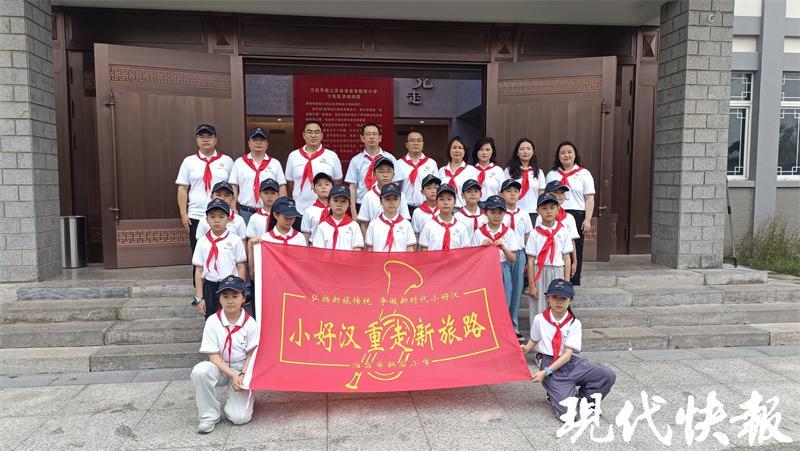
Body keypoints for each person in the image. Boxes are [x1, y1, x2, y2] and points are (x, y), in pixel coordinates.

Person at [521, 279, 616, 420]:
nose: (559, 302)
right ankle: (554, 395)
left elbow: (567, 356)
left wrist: (545, 373)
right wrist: (526, 348)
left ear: (570, 301)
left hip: (569, 363)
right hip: (550, 364)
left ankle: (585, 401)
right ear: (548, 298)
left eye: (563, 298)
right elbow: (534, 339)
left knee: (606, 375)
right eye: (554, 297)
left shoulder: (574, 323)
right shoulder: (539, 319)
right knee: (571, 417)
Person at [191, 275, 259, 433]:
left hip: (241, 369)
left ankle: (244, 398)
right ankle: (209, 416)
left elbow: (251, 355)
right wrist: (231, 375)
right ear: (219, 299)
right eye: (225, 296)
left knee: (240, 418)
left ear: (243, 298)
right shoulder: (212, 321)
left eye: (235, 296)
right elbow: (213, 356)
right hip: (219, 367)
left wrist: (241, 374)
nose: (230, 301)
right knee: (200, 371)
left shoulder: (250, 323)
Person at [176, 124, 234, 255]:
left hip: (222, 215)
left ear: (216, 140)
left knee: (224, 253)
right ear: (197, 140)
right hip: (196, 214)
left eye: (209, 136)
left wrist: (233, 209)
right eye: (201, 137)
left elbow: (233, 188)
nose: (205, 139)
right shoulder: (188, 161)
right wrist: (183, 214)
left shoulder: (227, 161)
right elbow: (182, 189)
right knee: (198, 253)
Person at [545, 141, 595, 286]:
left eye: (569, 152)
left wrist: (587, 219)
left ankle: (572, 281)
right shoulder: (552, 174)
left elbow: (589, 198)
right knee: (555, 245)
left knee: (575, 247)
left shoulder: (584, 174)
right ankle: (554, 278)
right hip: (554, 213)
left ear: (575, 155)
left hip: (577, 215)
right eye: (562, 152)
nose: (566, 155)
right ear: (558, 156)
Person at [192, 199, 247, 318]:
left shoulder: (236, 240)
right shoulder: (202, 242)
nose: (217, 220)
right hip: (209, 286)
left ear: (228, 219)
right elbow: (199, 270)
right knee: (211, 318)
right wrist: (199, 297)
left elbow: (241, 266)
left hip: (230, 286)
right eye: (212, 217)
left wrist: (241, 291)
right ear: (207, 220)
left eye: (221, 217)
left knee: (231, 318)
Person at [472, 195, 520, 331]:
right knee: (485, 302)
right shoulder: (479, 233)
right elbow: (473, 259)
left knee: (504, 301)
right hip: (485, 270)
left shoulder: (509, 233)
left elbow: (513, 259)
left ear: (505, 214)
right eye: (492, 212)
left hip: (503, 268)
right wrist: (481, 248)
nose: (496, 216)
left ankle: (502, 331)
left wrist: (504, 248)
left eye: (500, 212)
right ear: (486, 212)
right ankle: (486, 331)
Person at [526, 193, 573, 316]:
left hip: (557, 271)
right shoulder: (534, 234)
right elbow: (531, 260)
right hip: (539, 272)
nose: (548, 211)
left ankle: (556, 327)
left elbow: (566, 258)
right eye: (544, 208)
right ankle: (538, 327)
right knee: (539, 304)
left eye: (552, 207)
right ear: (538, 211)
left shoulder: (563, 232)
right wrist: (532, 285)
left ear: (558, 209)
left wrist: (567, 282)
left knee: (557, 303)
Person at [228, 127, 286, 224]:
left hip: (269, 211)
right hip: (246, 212)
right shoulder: (239, 162)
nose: (258, 143)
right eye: (255, 140)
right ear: (249, 143)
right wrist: (233, 208)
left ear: (267, 144)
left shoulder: (275, 163)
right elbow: (234, 187)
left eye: (262, 140)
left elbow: (282, 188)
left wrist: (280, 209)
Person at [284, 120, 343, 215]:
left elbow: (337, 182)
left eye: (317, 132)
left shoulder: (331, 156)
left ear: (322, 135)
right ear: (304, 135)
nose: (313, 135)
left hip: (325, 209)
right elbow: (290, 183)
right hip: (299, 208)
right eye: (309, 132)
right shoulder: (293, 156)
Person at [500, 178, 533, 340]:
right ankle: (501, 325)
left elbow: (527, 237)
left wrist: (527, 258)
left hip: (518, 254)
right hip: (501, 256)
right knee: (503, 290)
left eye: (515, 191)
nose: (512, 194)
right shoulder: (498, 213)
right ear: (501, 194)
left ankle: (514, 325)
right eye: (508, 191)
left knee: (516, 290)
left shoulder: (524, 214)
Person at [345, 123, 397, 217]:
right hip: (361, 204)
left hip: (386, 203)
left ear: (380, 138)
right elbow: (352, 187)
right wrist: (353, 212)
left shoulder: (390, 158)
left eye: (374, 134)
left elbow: (396, 183)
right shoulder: (356, 160)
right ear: (362, 138)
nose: (371, 137)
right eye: (368, 134)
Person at [536, 180, 580, 280]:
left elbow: (572, 242)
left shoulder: (569, 218)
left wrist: (575, 262)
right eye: (556, 192)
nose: (559, 195)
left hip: (564, 260)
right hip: (545, 261)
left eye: (562, 193)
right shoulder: (541, 217)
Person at [356, 156, 411, 235]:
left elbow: (405, 221)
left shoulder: (400, 195)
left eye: (389, 171)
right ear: (374, 174)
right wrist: (367, 241)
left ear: (393, 174)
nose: (385, 175)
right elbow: (364, 224)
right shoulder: (368, 196)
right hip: (375, 238)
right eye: (381, 171)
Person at [396, 131, 438, 216]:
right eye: (412, 141)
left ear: (423, 144)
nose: (416, 143)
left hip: (426, 207)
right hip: (404, 207)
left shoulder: (431, 163)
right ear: (407, 145)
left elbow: (436, 187)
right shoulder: (399, 164)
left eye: (419, 141)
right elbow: (396, 186)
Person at [365, 183, 416, 252]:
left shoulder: (406, 224)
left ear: (400, 201)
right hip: (379, 259)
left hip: (400, 259)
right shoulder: (373, 224)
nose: (391, 202)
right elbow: (369, 250)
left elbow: (410, 250)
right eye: (387, 199)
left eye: (395, 199)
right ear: (381, 201)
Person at [311, 185, 364, 251]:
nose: (339, 204)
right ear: (329, 202)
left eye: (343, 201)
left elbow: (357, 250)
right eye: (335, 200)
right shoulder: (322, 226)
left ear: (349, 204)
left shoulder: (354, 226)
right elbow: (318, 251)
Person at [418, 184, 471, 251]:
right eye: (442, 199)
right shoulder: (428, 226)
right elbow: (424, 251)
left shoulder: (461, 227)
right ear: (437, 202)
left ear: (455, 202)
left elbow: (465, 252)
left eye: (449, 199)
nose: (446, 202)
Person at [504, 138, 546, 220]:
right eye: (522, 149)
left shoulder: (539, 172)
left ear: (533, 152)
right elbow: (503, 192)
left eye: (528, 149)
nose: (525, 152)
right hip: (514, 212)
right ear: (517, 152)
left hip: (533, 212)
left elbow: (541, 194)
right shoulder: (509, 171)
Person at [244, 179, 280, 272]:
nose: (269, 196)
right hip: (260, 258)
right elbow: (250, 243)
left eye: (273, 193)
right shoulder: (254, 218)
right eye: (266, 193)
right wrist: (251, 268)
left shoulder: (282, 217)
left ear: (278, 195)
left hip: (279, 258)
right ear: (259, 194)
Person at [437, 136, 478, 209]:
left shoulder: (471, 170)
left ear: (465, 151)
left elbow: (474, 192)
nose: (457, 150)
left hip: (463, 209)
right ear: (449, 151)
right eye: (454, 148)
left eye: (460, 148)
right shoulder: (441, 171)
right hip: (444, 210)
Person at [299, 172, 334, 241]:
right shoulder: (309, 211)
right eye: (319, 185)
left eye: (327, 184)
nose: (323, 187)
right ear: (314, 190)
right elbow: (306, 235)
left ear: (333, 188)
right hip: (315, 246)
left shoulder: (337, 209)